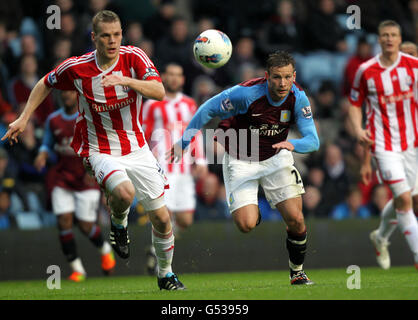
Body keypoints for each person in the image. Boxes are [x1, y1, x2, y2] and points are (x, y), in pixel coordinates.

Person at [2, 10, 184, 290]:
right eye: (106, 36)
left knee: (161, 217)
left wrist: (127, 81)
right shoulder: (77, 67)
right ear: (94, 38)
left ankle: (166, 274)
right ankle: (119, 221)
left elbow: (158, 91)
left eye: (117, 34)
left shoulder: (134, 57)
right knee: (125, 192)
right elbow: (45, 83)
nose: (113, 41)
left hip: (137, 147)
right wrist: (24, 117)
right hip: (98, 149)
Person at [169, 51, 320, 285]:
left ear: (294, 76)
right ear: (267, 76)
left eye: (287, 77)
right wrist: (184, 142)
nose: (282, 83)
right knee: (246, 225)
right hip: (241, 158)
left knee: (296, 219)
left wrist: (294, 143)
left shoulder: (298, 97)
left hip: (276, 157)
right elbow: (207, 108)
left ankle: (297, 271)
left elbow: (313, 140)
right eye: (277, 77)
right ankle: (254, 208)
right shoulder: (246, 94)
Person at [348, 20, 418, 270]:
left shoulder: (413, 68)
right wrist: (358, 132)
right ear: (379, 39)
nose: (389, 39)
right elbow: (356, 105)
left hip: (413, 145)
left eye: (393, 35)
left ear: (399, 39)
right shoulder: (366, 70)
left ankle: (380, 237)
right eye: (384, 35)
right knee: (404, 198)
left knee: (410, 199)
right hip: (384, 145)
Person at [34, 90, 115, 282]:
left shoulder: (87, 118)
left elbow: (101, 146)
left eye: (70, 92)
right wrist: (42, 153)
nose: (67, 96)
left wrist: (96, 171)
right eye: (64, 93)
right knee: (64, 221)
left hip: (85, 179)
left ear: (78, 95)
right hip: (62, 178)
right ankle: (78, 269)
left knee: (86, 226)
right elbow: (47, 142)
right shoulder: (53, 119)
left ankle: (105, 250)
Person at [142, 62, 208, 274]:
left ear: (182, 79)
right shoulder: (151, 104)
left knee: (185, 220)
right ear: (163, 77)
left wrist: (201, 161)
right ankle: (162, 263)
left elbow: (195, 133)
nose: (173, 78)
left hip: (185, 169)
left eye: (177, 75)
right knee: (165, 215)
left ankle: (155, 248)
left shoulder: (189, 104)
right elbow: (144, 133)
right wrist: (148, 161)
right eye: (169, 74)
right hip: (162, 168)